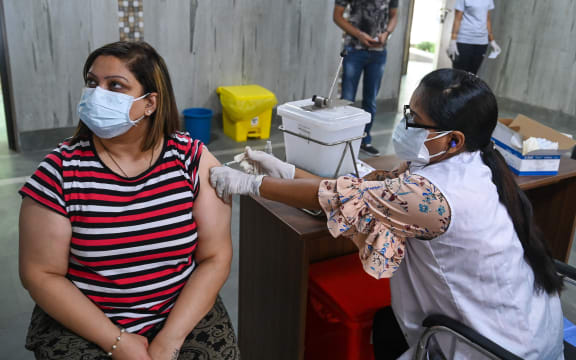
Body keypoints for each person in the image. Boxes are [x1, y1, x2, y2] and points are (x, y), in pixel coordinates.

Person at [209, 69, 564, 359]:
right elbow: (355, 188)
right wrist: (283, 170)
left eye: (415, 119)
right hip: (530, 327)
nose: (405, 124)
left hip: (496, 348)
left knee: (387, 330)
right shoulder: (473, 164)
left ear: (453, 139)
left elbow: (337, 196)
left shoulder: (432, 195)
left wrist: (251, 185)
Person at [18, 41, 239, 360]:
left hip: (178, 312)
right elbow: (40, 273)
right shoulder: (59, 172)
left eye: (115, 85)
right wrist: (118, 342)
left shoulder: (191, 160)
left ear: (150, 103)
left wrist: (170, 339)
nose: (96, 93)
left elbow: (215, 256)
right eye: (92, 83)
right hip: (89, 321)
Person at [333, 0, 399, 156]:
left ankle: (364, 140)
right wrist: (358, 34)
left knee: (370, 100)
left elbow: (394, 15)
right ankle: (343, 141)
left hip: (379, 51)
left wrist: (387, 33)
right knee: (347, 99)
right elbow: (337, 16)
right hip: (354, 49)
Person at [447, 0, 501, 75]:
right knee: (459, 75)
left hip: (481, 42)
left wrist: (492, 41)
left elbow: (487, 19)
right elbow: (457, 19)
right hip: (464, 40)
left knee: (472, 75)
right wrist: (453, 41)